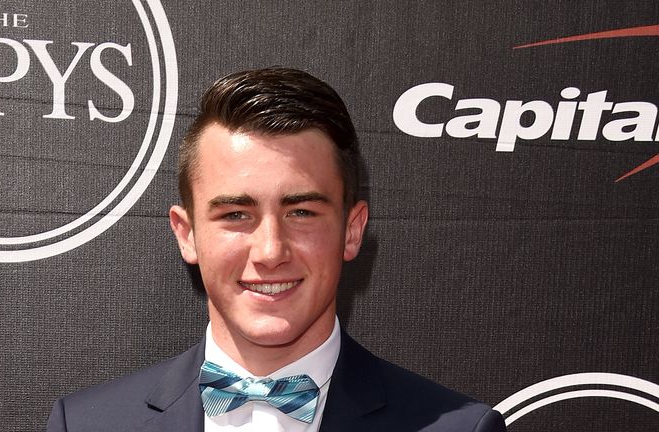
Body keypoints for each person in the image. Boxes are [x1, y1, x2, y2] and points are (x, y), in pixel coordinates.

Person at [46, 67, 506, 432]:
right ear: (187, 234)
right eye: (235, 215)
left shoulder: (459, 427)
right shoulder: (87, 423)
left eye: (302, 212)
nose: (270, 251)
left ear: (351, 230)